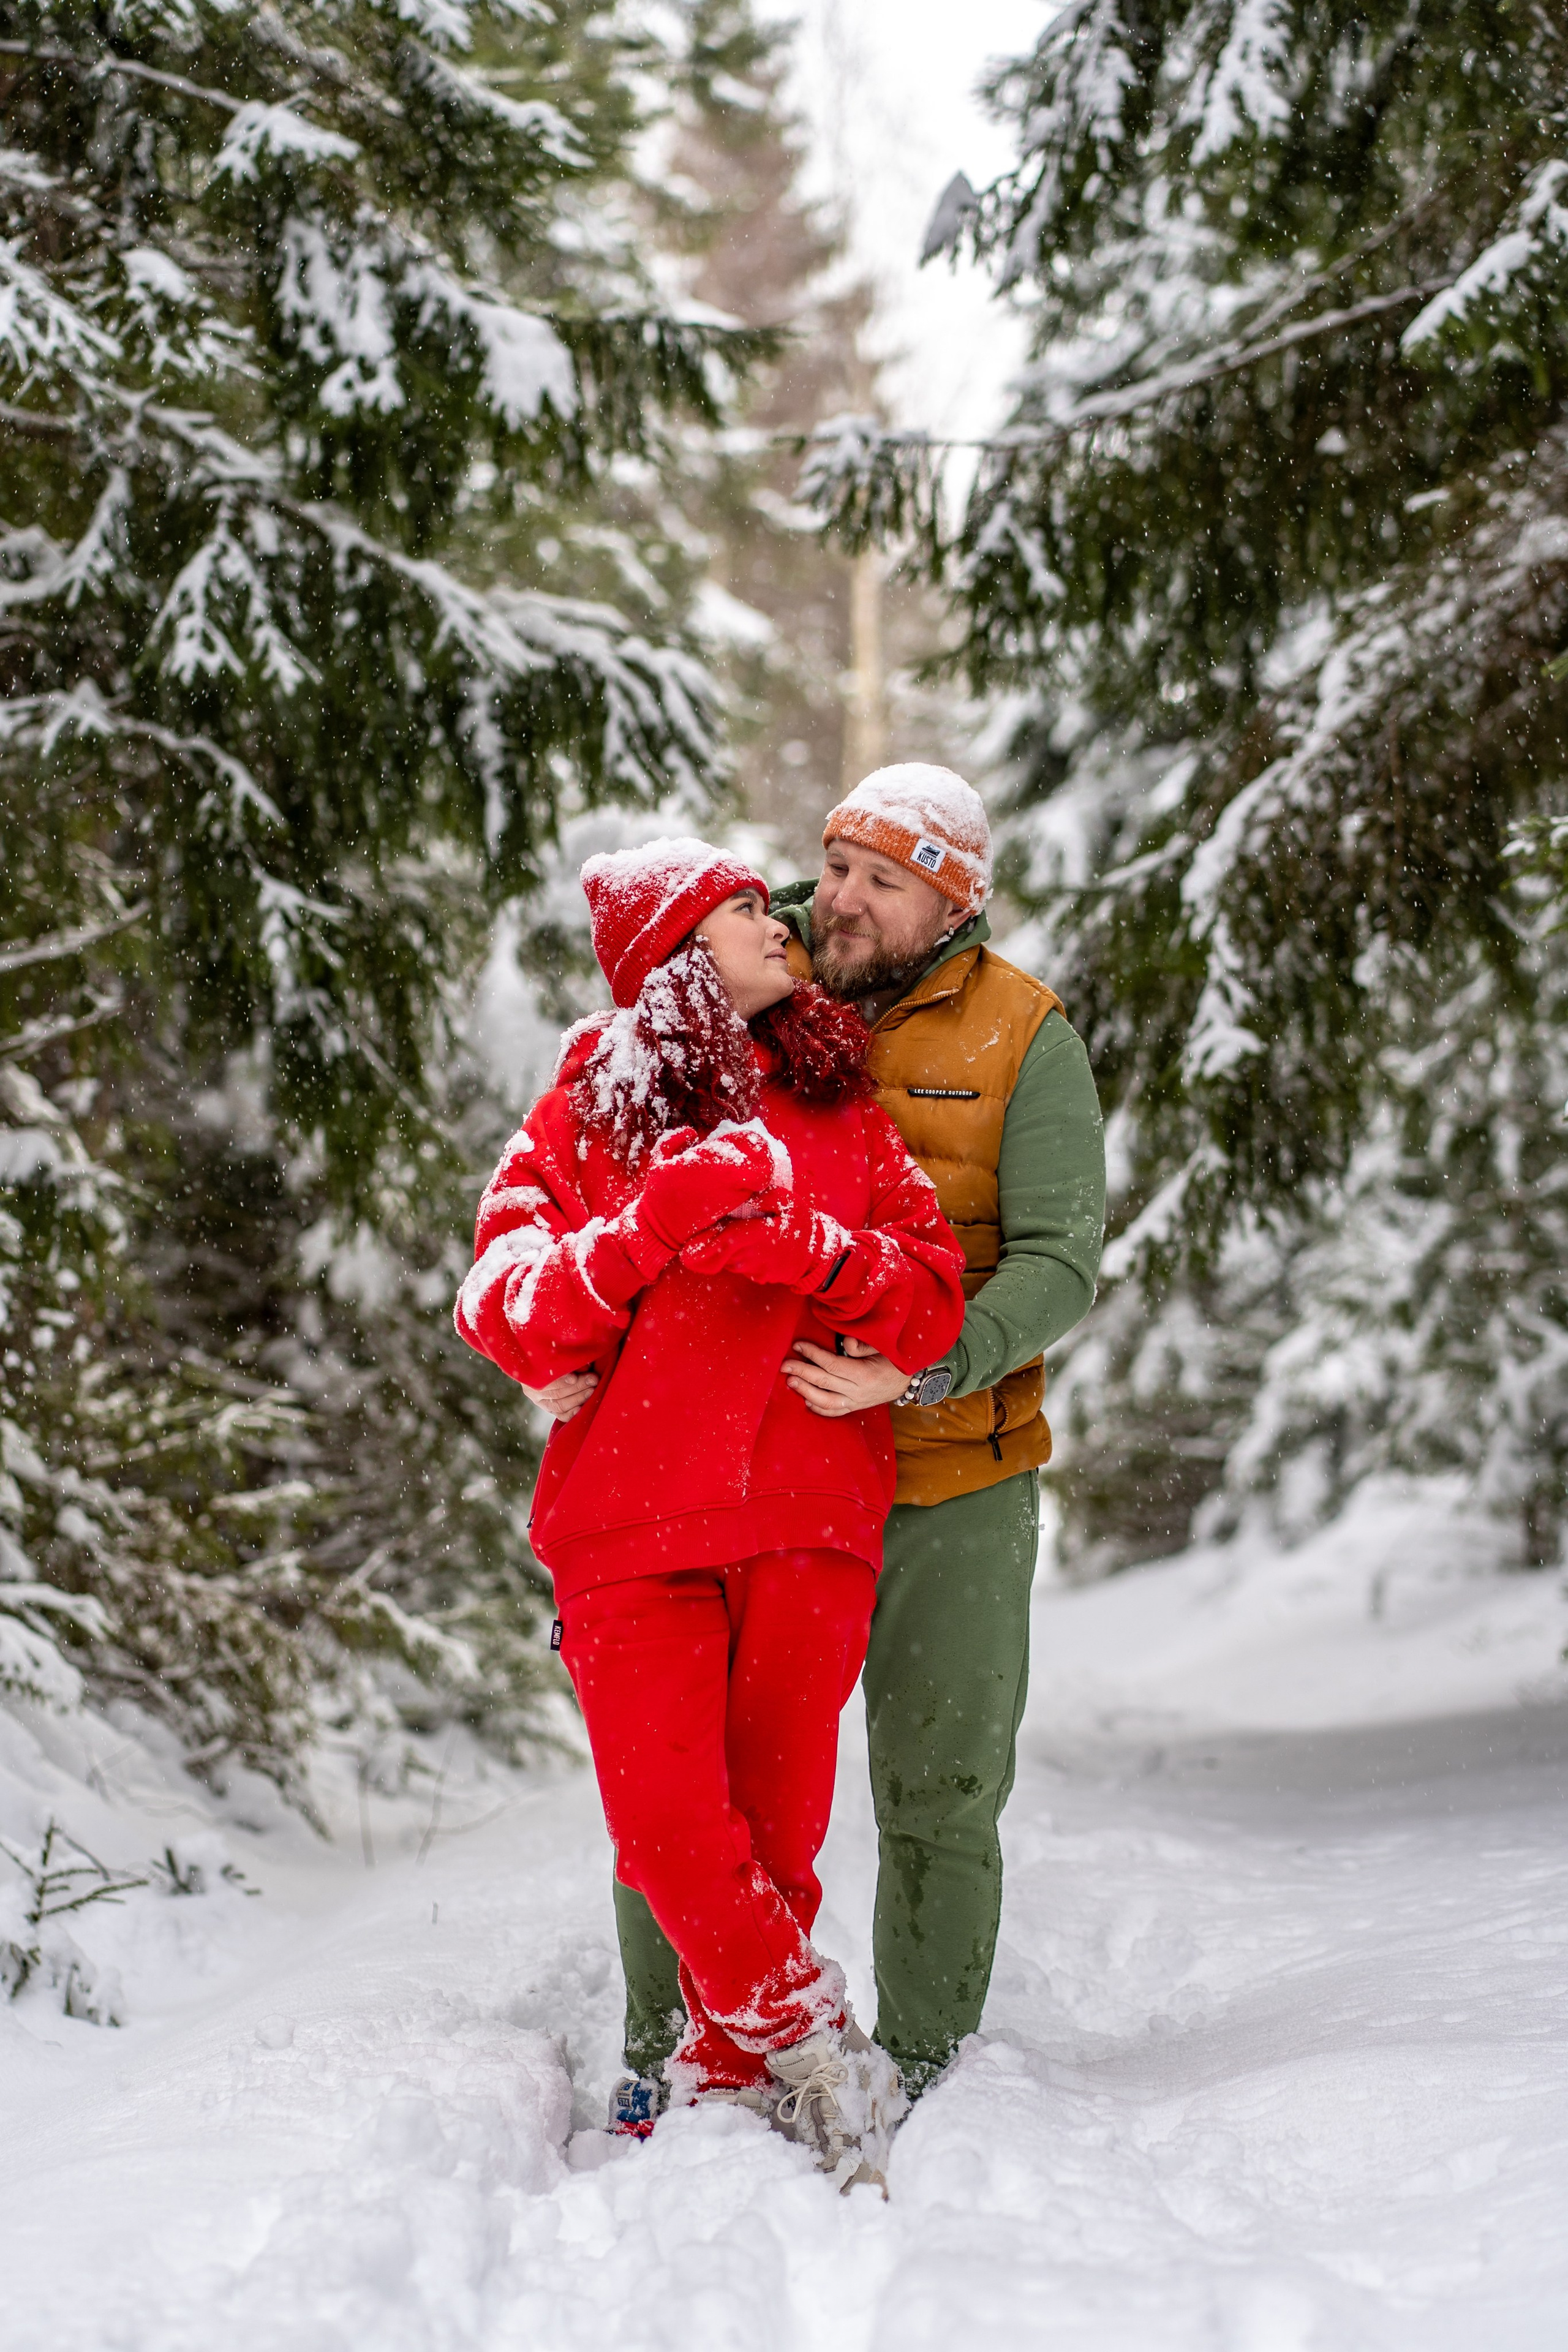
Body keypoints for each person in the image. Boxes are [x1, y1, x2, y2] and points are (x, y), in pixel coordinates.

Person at [454, 837, 967, 2189]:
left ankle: (726, 2086)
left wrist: (807, 1247)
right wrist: (642, 1236)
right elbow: (500, 1304)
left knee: (775, 1835)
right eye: (744, 910)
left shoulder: (837, 1108)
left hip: (808, 1517)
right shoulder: (579, 1115)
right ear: (677, 953)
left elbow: (927, 1296)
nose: (780, 921)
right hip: (625, 1529)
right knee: (672, 1833)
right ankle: (810, 2042)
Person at [610, 770, 1106, 2098]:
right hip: (747, 1476)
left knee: (938, 1789)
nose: (837, 898)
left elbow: (1059, 1262)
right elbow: (602, 1163)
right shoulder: (737, 968)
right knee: (691, 1789)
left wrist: (927, 1363)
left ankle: (926, 2057)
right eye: (834, 863)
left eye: (881, 881)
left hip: (950, 1479)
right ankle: (669, 2050)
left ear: (951, 901)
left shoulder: (1022, 1035)